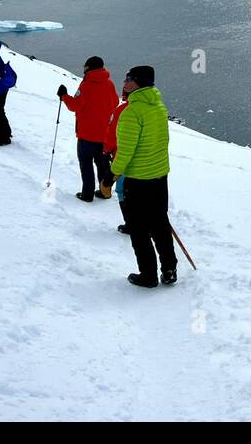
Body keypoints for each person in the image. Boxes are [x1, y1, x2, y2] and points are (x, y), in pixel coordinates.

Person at [109, 65, 177, 287]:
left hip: (138, 180)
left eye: (129, 79)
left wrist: (112, 175)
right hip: (159, 177)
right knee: (160, 224)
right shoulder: (158, 106)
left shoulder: (132, 112)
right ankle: (169, 269)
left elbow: (125, 152)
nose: (125, 82)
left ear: (139, 83)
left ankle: (148, 275)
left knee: (138, 230)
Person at [58, 56, 119, 203]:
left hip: (86, 134)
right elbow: (116, 102)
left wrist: (64, 96)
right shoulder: (109, 83)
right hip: (104, 134)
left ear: (88, 67)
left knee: (86, 163)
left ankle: (87, 194)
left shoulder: (87, 85)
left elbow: (75, 105)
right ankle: (105, 191)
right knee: (102, 163)